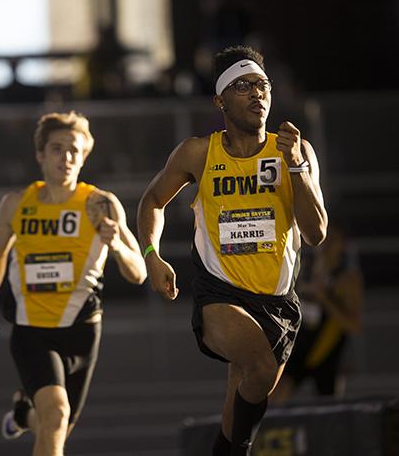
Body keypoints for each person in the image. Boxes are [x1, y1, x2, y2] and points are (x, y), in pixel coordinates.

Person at [136, 45, 327, 455]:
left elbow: (316, 234)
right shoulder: (199, 153)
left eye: (263, 85)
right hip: (218, 293)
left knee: (241, 395)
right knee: (260, 368)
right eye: (243, 86)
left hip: (277, 300)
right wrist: (151, 256)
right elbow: (152, 201)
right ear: (220, 100)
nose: (257, 93)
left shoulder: (296, 150)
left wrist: (294, 166)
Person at [0, 111, 146, 456]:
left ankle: (24, 412)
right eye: (57, 149)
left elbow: (138, 272)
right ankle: (30, 412)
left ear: (83, 157)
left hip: (82, 331)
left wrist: (114, 246)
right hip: (31, 330)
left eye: (74, 150)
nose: (66, 157)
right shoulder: (16, 205)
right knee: (56, 414)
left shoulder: (100, 204)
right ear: (40, 154)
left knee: (54, 428)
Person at [271, 222, 363, 402]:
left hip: (327, 352)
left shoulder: (347, 280)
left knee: (330, 411)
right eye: (324, 239)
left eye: (333, 241)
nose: (327, 245)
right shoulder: (304, 268)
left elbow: (354, 326)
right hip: (298, 348)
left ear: (343, 245)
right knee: (274, 399)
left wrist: (324, 299)